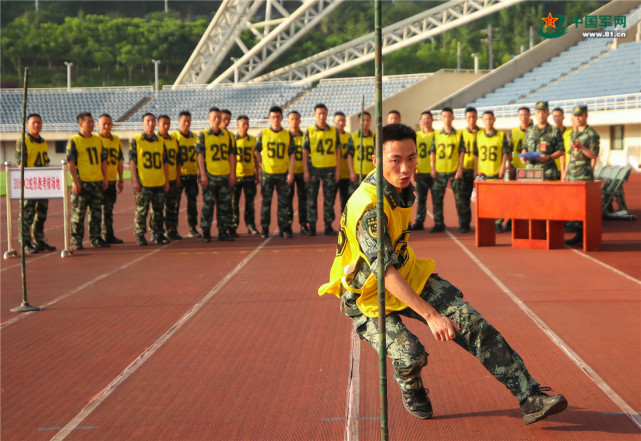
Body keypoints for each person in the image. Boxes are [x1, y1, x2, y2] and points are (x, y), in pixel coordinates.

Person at [318, 123, 567, 425]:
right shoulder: (370, 206)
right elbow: (384, 273)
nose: (405, 167)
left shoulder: (400, 187)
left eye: (411, 158)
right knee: (411, 354)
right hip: (365, 294)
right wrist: (431, 315)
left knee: (471, 321)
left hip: (406, 274)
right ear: (375, 160)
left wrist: (439, 311)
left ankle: (529, 397)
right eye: (395, 159)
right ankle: (411, 386)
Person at [67, 112, 109, 250]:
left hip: (96, 181)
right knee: (79, 213)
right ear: (81, 124)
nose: (92, 124)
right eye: (88, 122)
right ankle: (76, 239)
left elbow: (103, 161)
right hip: (82, 181)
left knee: (96, 212)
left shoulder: (98, 140)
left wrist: (105, 178)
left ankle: (95, 237)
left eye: (92, 122)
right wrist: (75, 181)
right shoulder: (74, 140)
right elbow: (70, 162)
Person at [16, 113, 56, 254]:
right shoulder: (23, 141)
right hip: (30, 183)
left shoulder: (43, 141)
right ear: (27, 125)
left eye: (39, 122)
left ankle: (39, 240)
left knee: (41, 214)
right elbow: (21, 164)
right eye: (33, 123)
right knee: (27, 215)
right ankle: (25, 243)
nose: (36, 125)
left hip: (42, 183)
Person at [196, 106, 237, 242]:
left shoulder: (227, 135)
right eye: (214, 117)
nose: (217, 120)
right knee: (208, 206)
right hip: (210, 175)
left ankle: (223, 231)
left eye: (219, 117)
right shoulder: (203, 135)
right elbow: (200, 155)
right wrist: (202, 174)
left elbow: (231, 155)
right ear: (209, 119)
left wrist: (232, 174)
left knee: (224, 207)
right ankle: (206, 231)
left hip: (224, 175)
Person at [129, 113, 170, 246]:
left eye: (153, 121)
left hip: (158, 181)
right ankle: (140, 234)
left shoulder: (161, 141)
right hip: (144, 182)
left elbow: (165, 162)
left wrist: (167, 180)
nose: (151, 123)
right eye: (148, 121)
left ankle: (157, 233)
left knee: (158, 210)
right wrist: (135, 180)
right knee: (142, 210)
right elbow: (132, 161)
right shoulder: (136, 140)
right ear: (143, 123)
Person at [302, 103, 341, 236]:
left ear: (327, 114)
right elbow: (305, 151)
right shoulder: (310, 130)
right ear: (315, 115)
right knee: (311, 198)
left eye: (324, 113)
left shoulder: (333, 131)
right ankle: (312, 225)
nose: (321, 116)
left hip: (330, 168)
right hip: (314, 168)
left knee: (329, 199)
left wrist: (338, 170)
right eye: (319, 113)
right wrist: (306, 170)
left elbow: (338, 150)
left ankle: (328, 225)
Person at [564, 105, 600, 245]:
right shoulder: (574, 132)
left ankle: (586, 236)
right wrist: (565, 174)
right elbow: (570, 155)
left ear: (586, 115)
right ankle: (578, 235)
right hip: (572, 173)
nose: (578, 118)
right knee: (574, 206)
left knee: (584, 206)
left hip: (583, 173)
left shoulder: (591, 134)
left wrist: (582, 147)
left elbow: (593, 154)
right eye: (576, 115)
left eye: (580, 115)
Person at [257, 106, 295, 238]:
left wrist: (290, 172)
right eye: (273, 117)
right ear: (269, 118)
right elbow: (256, 150)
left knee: (283, 203)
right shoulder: (263, 134)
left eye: (278, 116)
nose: (275, 119)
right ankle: (265, 228)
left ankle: (284, 228)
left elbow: (292, 154)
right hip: (267, 173)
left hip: (282, 173)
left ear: (282, 118)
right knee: (266, 203)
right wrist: (261, 163)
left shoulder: (287, 134)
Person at [429, 107, 467, 233]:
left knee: (460, 199)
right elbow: (432, 152)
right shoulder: (437, 135)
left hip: (454, 171)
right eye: (444, 116)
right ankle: (439, 223)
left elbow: (462, 152)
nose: (447, 119)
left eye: (449, 116)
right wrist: (433, 169)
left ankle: (463, 223)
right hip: (440, 171)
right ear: (441, 118)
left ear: (453, 118)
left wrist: (460, 169)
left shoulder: (458, 134)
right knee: (437, 199)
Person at [474, 111, 511, 232]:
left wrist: (502, 167)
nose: (488, 121)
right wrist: (476, 170)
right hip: (483, 173)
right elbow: (476, 155)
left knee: (498, 199)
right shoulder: (479, 135)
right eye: (485, 119)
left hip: (496, 172)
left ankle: (498, 222)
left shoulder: (500, 135)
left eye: (490, 119)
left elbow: (505, 153)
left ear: (494, 120)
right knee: (485, 200)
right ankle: (487, 222)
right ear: (482, 121)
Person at [97, 113, 124, 245]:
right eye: (104, 124)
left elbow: (120, 160)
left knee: (109, 209)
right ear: (98, 125)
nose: (107, 126)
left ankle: (109, 234)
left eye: (109, 123)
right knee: (96, 210)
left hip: (112, 179)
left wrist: (121, 179)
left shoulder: (116, 140)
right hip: (98, 180)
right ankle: (96, 236)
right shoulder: (95, 139)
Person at [173, 110, 201, 238]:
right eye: (184, 121)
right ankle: (172, 228)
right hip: (179, 175)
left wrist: (200, 171)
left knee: (192, 204)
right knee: (174, 204)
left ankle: (192, 227)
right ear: (179, 122)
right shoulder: (174, 137)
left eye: (189, 121)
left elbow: (199, 156)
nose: (187, 123)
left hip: (191, 175)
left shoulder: (195, 137)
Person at [521, 101, 564, 181]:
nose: (541, 115)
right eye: (538, 112)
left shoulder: (554, 130)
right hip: (531, 172)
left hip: (547, 172)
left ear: (548, 113)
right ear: (535, 114)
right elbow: (525, 147)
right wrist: (524, 155)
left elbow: (561, 151)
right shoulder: (530, 130)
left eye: (543, 112)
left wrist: (549, 157)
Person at [232, 115, 259, 235]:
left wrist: (257, 173)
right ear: (238, 125)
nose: (246, 126)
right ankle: (233, 226)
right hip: (236, 176)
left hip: (249, 176)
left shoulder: (253, 140)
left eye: (247, 124)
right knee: (234, 203)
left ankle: (251, 225)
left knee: (250, 203)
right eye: (243, 124)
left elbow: (256, 158)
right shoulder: (232, 140)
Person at [157, 114, 183, 241]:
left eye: (168, 123)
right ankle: (156, 231)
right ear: (158, 124)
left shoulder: (173, 140)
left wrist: (178, 178)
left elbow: (178, 161)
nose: (166, 126)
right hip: (158, 180)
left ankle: (171, 230)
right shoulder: (155, 140)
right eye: (164, 123)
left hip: (172, 178)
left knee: (172, 206)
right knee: (158, 208)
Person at [411, 110, 435, 231]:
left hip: (435, 172)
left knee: (436, 199)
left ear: (432, 120)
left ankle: (438, 221)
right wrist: (414, 171)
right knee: (421, 199)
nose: (426, 121)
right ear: (420, 121)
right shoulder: (416, 136)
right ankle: (419, 221)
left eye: (428, 118)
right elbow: (413, 155)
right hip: (421, 172)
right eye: (423, 119)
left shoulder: (437, 135)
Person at [287, 110, 309, 235]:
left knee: (303, 199)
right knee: (287, 200)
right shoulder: (285, 136)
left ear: (300, 121)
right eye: (292, 119)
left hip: (301, 171)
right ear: (288, 121)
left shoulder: (305, 136)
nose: (294, 121)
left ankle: (303, 224)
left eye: (296, 118)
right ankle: (288, 224)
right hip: (289, 173)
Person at [333, 111, 356, 213]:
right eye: (338, 120)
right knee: (329, 202)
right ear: (334, 122)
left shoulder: (350, 137)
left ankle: (345, 224)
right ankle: (328, 225)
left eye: (343, 120)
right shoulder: (331, 136)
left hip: (346, 174)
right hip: (333, 174)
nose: (341, 123)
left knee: (347, 201)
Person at [460, 107, 478, 230]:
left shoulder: (482, 133)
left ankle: (485, 223)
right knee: (464, 197)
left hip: (480, 170)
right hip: (465, 168)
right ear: (466, 118)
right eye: (469, 117)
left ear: (476, 117)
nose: (471, 119)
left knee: (484, 199)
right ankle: (465, 223)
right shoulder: (461, 133)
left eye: (473, 116)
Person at [351, 111, 375, 182]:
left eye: (367, 120)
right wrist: (351, 172)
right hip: (357, 173)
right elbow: (350, 156)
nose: (365, 123)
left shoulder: (375, 137)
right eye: (363, 120)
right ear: (359, 122)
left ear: (370, 121)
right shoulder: (353, 137)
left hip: (371, 173)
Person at [509, 106, 531, 180]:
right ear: (518, 116)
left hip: (531, 167)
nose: (523, 117)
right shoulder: (513, 131)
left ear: (529, 115)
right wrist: (509, 165)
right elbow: (509, 150)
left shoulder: (535, 131)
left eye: (525, 114)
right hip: (516, 167)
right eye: (521, 115)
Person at [551, 107, 572, 176]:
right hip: (553, 168)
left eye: (559, 116)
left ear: (563, 117)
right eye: (555, 116)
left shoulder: (570, 132)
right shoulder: (549, 133)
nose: (557, 118)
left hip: (568, 168)